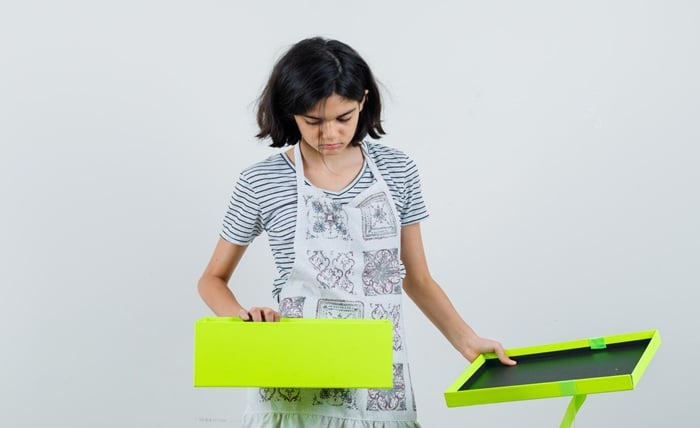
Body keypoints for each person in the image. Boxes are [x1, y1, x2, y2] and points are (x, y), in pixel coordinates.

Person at [198, 36, 516, 427]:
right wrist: (245, 320)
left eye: (343, 118)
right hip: (293, 387)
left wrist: (467, 340)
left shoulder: (398, 171)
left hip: (378, 389)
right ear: (289, 111)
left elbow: (415, 277)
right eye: (313, 121)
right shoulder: (261, 181)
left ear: (363, 101)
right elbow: (212, 279)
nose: (329, 134)